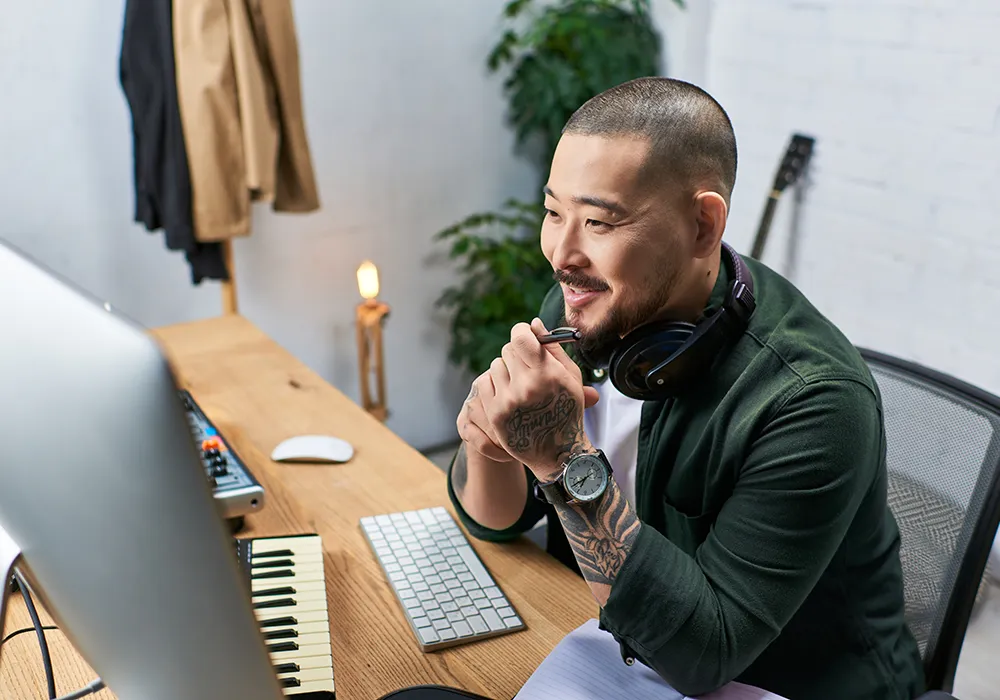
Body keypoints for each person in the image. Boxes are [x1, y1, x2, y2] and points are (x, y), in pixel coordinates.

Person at [446, 77, 925, 700]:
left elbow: (704, 655)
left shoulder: (815, 400)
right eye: (554, 211)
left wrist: (563, 460)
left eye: (599, 221)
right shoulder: (587, 303)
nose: (560, 253)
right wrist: (492, 446)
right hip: (623, 653)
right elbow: (498, 523)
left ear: (704, 226)